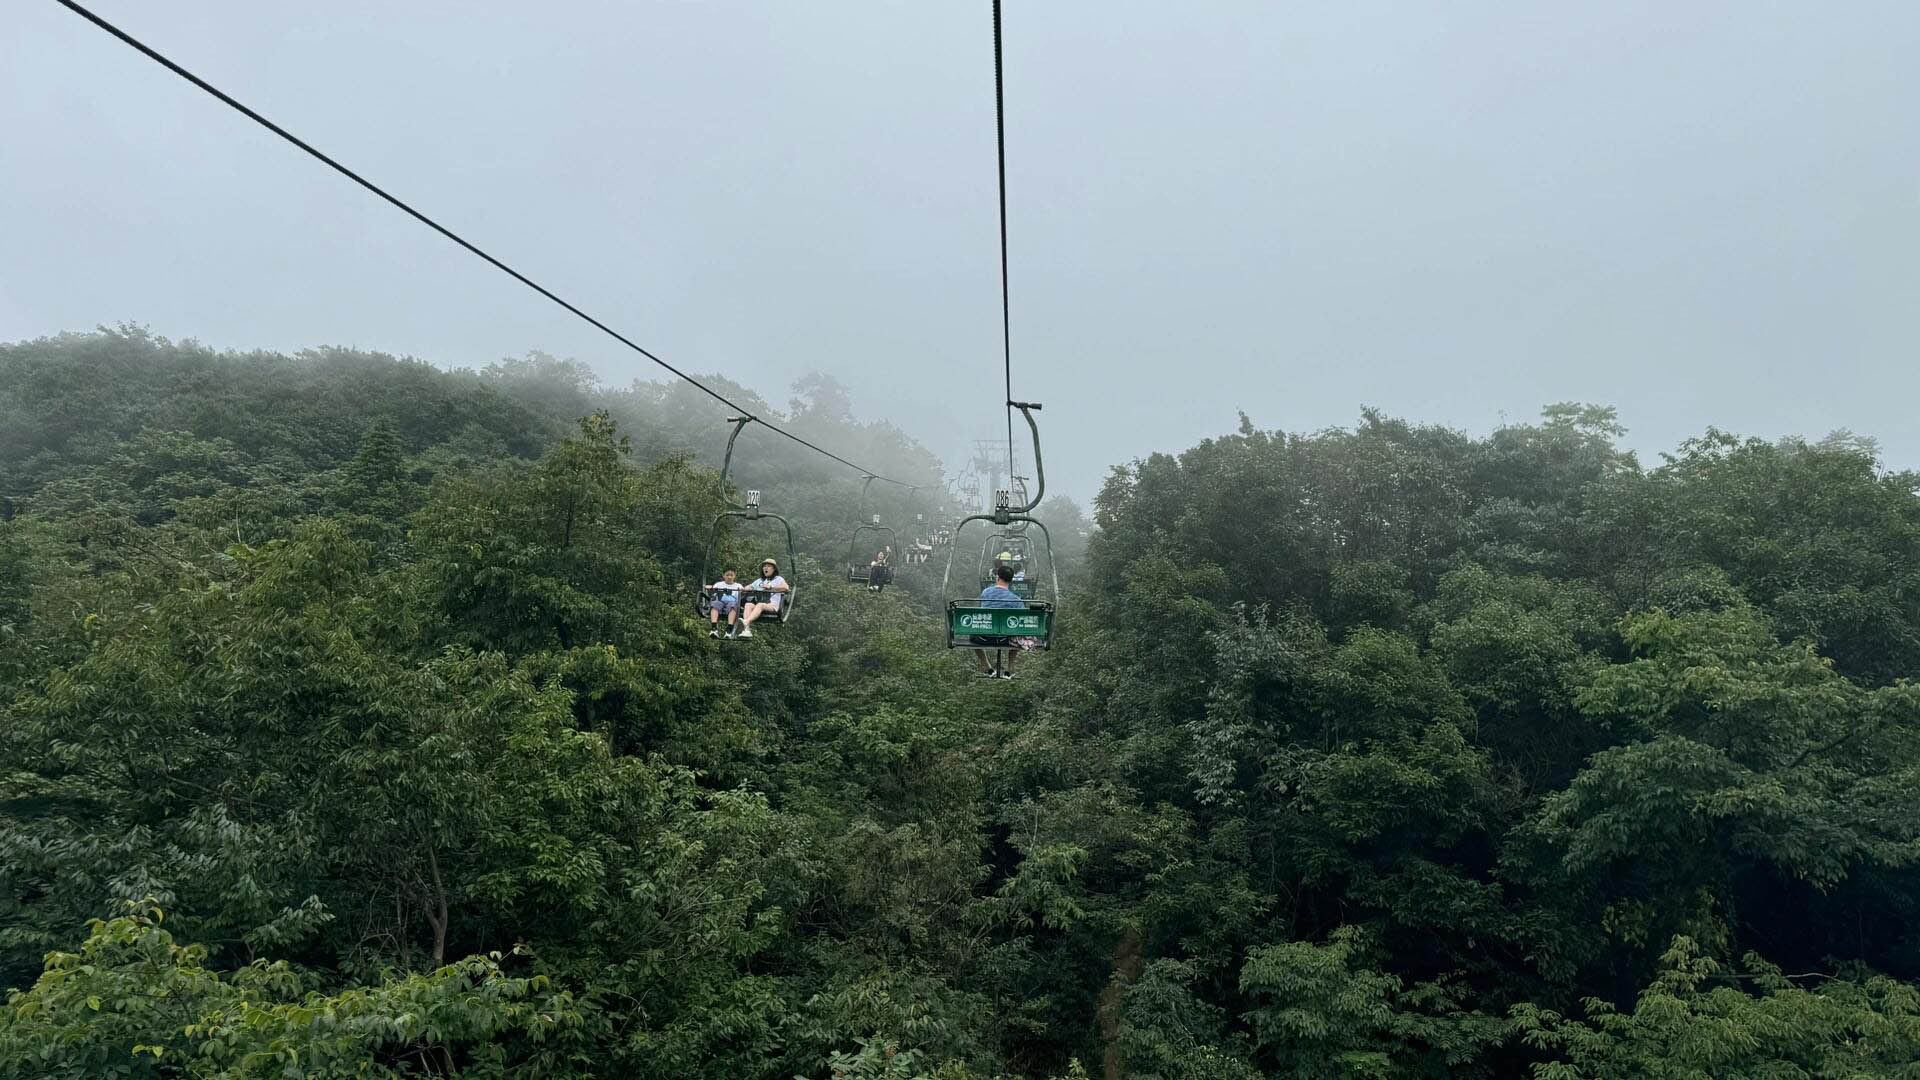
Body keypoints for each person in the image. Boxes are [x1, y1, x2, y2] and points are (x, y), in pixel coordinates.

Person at [973, 564, 1026, 678]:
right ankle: (1010, 667)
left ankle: (986, 665)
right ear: (1011, 580)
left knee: (973, 630)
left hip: (984, 637)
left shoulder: (986, 592)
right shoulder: (1016, 600)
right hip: (1005, 639)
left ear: (997, 577)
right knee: (1018, 633)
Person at [736, 558, 789, 637]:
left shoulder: (778, 579)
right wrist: (742, 589)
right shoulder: (760, 581)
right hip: (759, 604)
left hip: (772, 605)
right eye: (764, 566)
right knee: (748, 605)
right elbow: (750, 586)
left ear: (774, 569)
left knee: (760, 605)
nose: (765, 568)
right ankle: (746, 630)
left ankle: (746, 621)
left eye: (768, 566)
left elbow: (786, 587)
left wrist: (771, 586)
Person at [707, 568, 743, 637]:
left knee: (733, 605)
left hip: (732, 602)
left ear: (734, 576)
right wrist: (710, 588)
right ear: (723, 576)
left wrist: (743, 590)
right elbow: (712, 592)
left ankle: (729, 630)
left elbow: (744, 592)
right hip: (720, 601)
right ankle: (714, 628)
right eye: (727, 575)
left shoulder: (738, 586)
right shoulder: (718, 584)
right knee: (715, 604)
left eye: (731, 575)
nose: (729, 577)